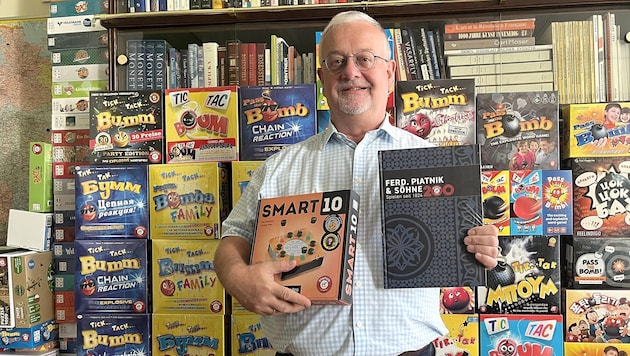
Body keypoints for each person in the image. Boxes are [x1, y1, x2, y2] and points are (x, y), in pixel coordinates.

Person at [214, 10, 499, 356]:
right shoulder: (279, 167)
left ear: (390, 72)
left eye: (365, 59)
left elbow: (467, 245)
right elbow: (232, 242)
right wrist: (239, 279)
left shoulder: (437, 161)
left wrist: (481, 245)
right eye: (337, 61)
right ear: (322, 77)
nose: (351, 72)